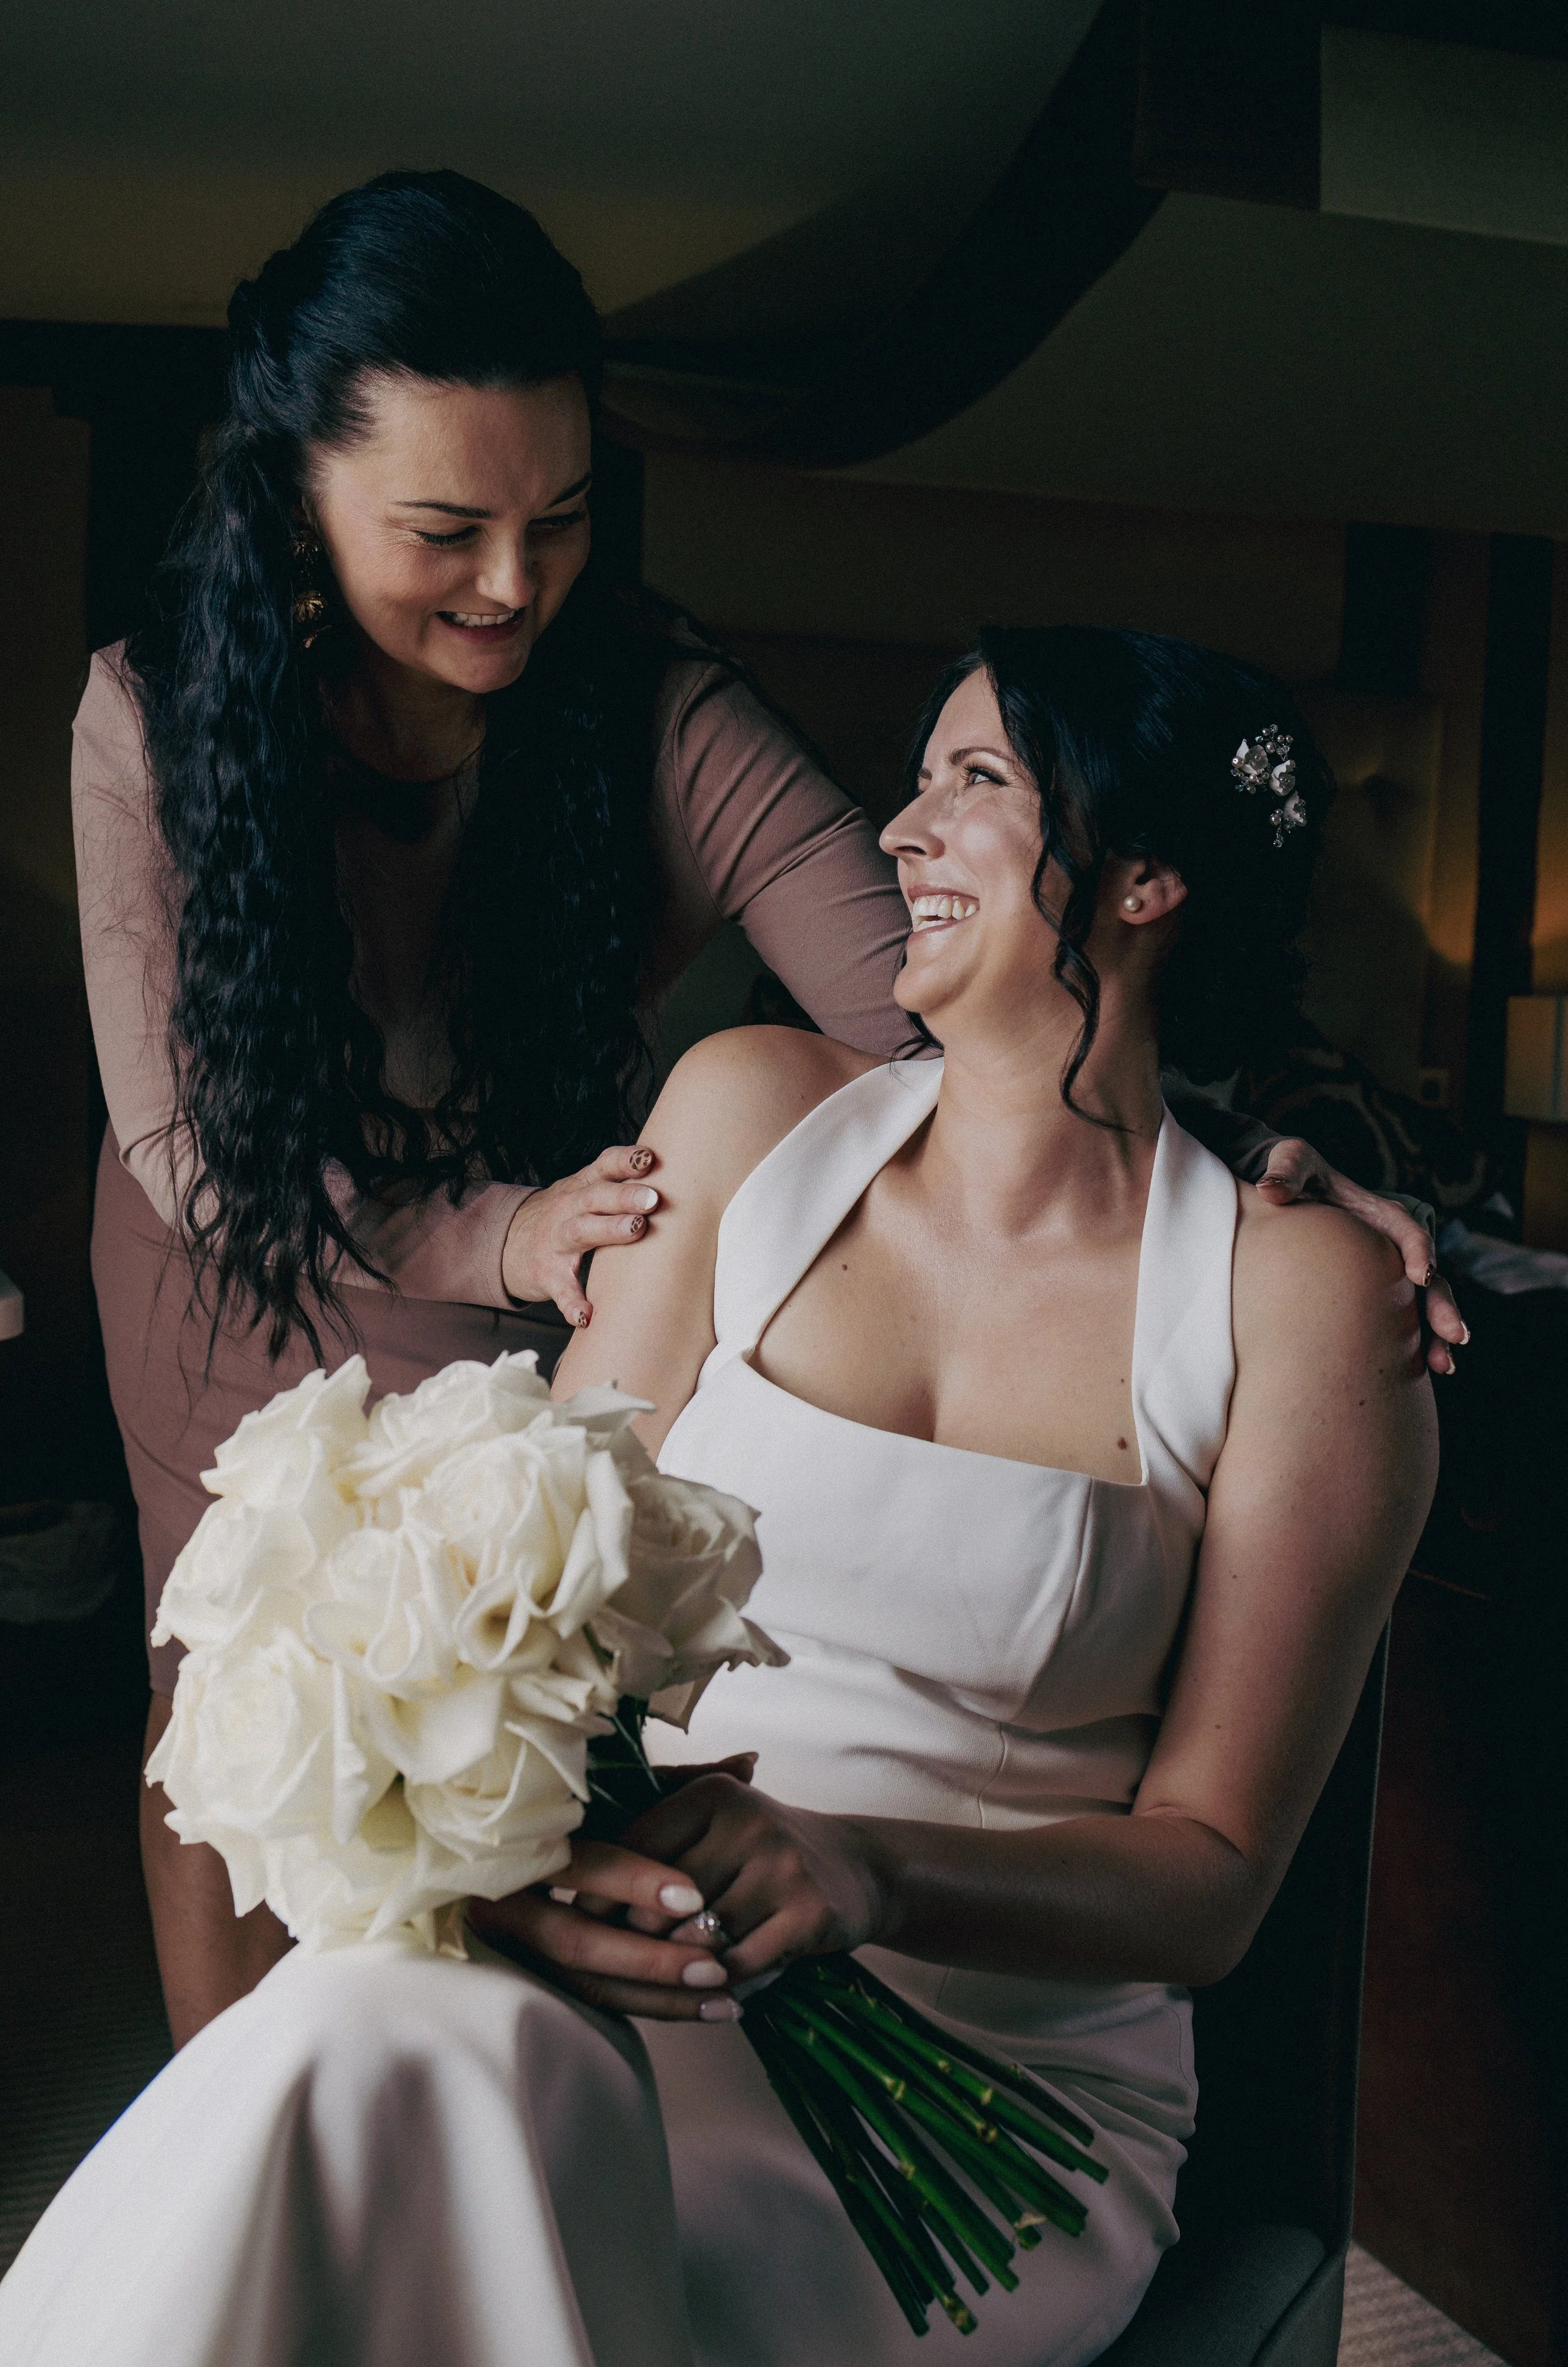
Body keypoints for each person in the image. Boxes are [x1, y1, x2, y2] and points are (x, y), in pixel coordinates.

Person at [75, 168, 1454, 2046]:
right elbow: (185, 1154)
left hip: (566, 1276)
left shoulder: (644, 700)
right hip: (245, 1278)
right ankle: (242, 2132)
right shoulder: (151, 717)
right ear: (298, 504)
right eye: (443, 527)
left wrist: (1233, 1150)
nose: (510, 583)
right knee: (242, 1742)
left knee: (493, 1778)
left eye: (557, 520)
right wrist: (500, 1221)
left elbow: (952, 984)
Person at [9, 627, 1438, 2367]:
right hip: (630, 1959)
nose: (901, 831)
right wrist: (509, 1853)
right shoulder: (749, 1116)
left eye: (973, 781)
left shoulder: (1296, 1298)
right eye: (916, 775)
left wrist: (862, 1870)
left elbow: (1212, 1876)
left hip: (975, 2110)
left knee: (441, 2152)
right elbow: (536, 1597)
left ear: (1147, 878)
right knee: (356, 2042)